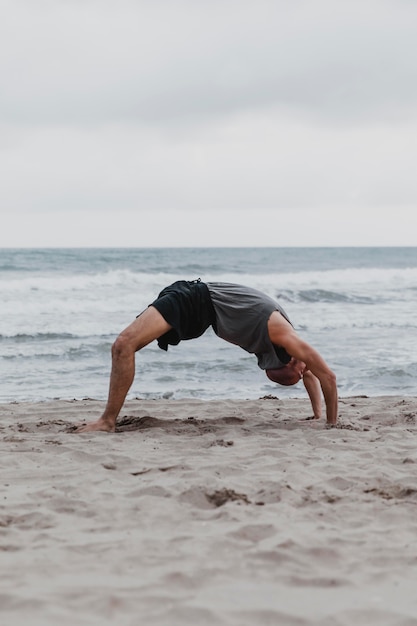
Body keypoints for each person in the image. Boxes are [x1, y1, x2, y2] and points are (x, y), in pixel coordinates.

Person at [75, 279, 338, 433]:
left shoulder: (290, 354)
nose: (306, 371)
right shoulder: (284, 336)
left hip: (201, 316)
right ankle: (107, 421)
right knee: (123, 345)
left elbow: (312, 376)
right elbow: (328, 376)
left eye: (302, 372)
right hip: (193, 299)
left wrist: (317, 415)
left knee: (126, 347)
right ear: (291, 359)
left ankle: (108, 419)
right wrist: (331, 424)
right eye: (303, 368)